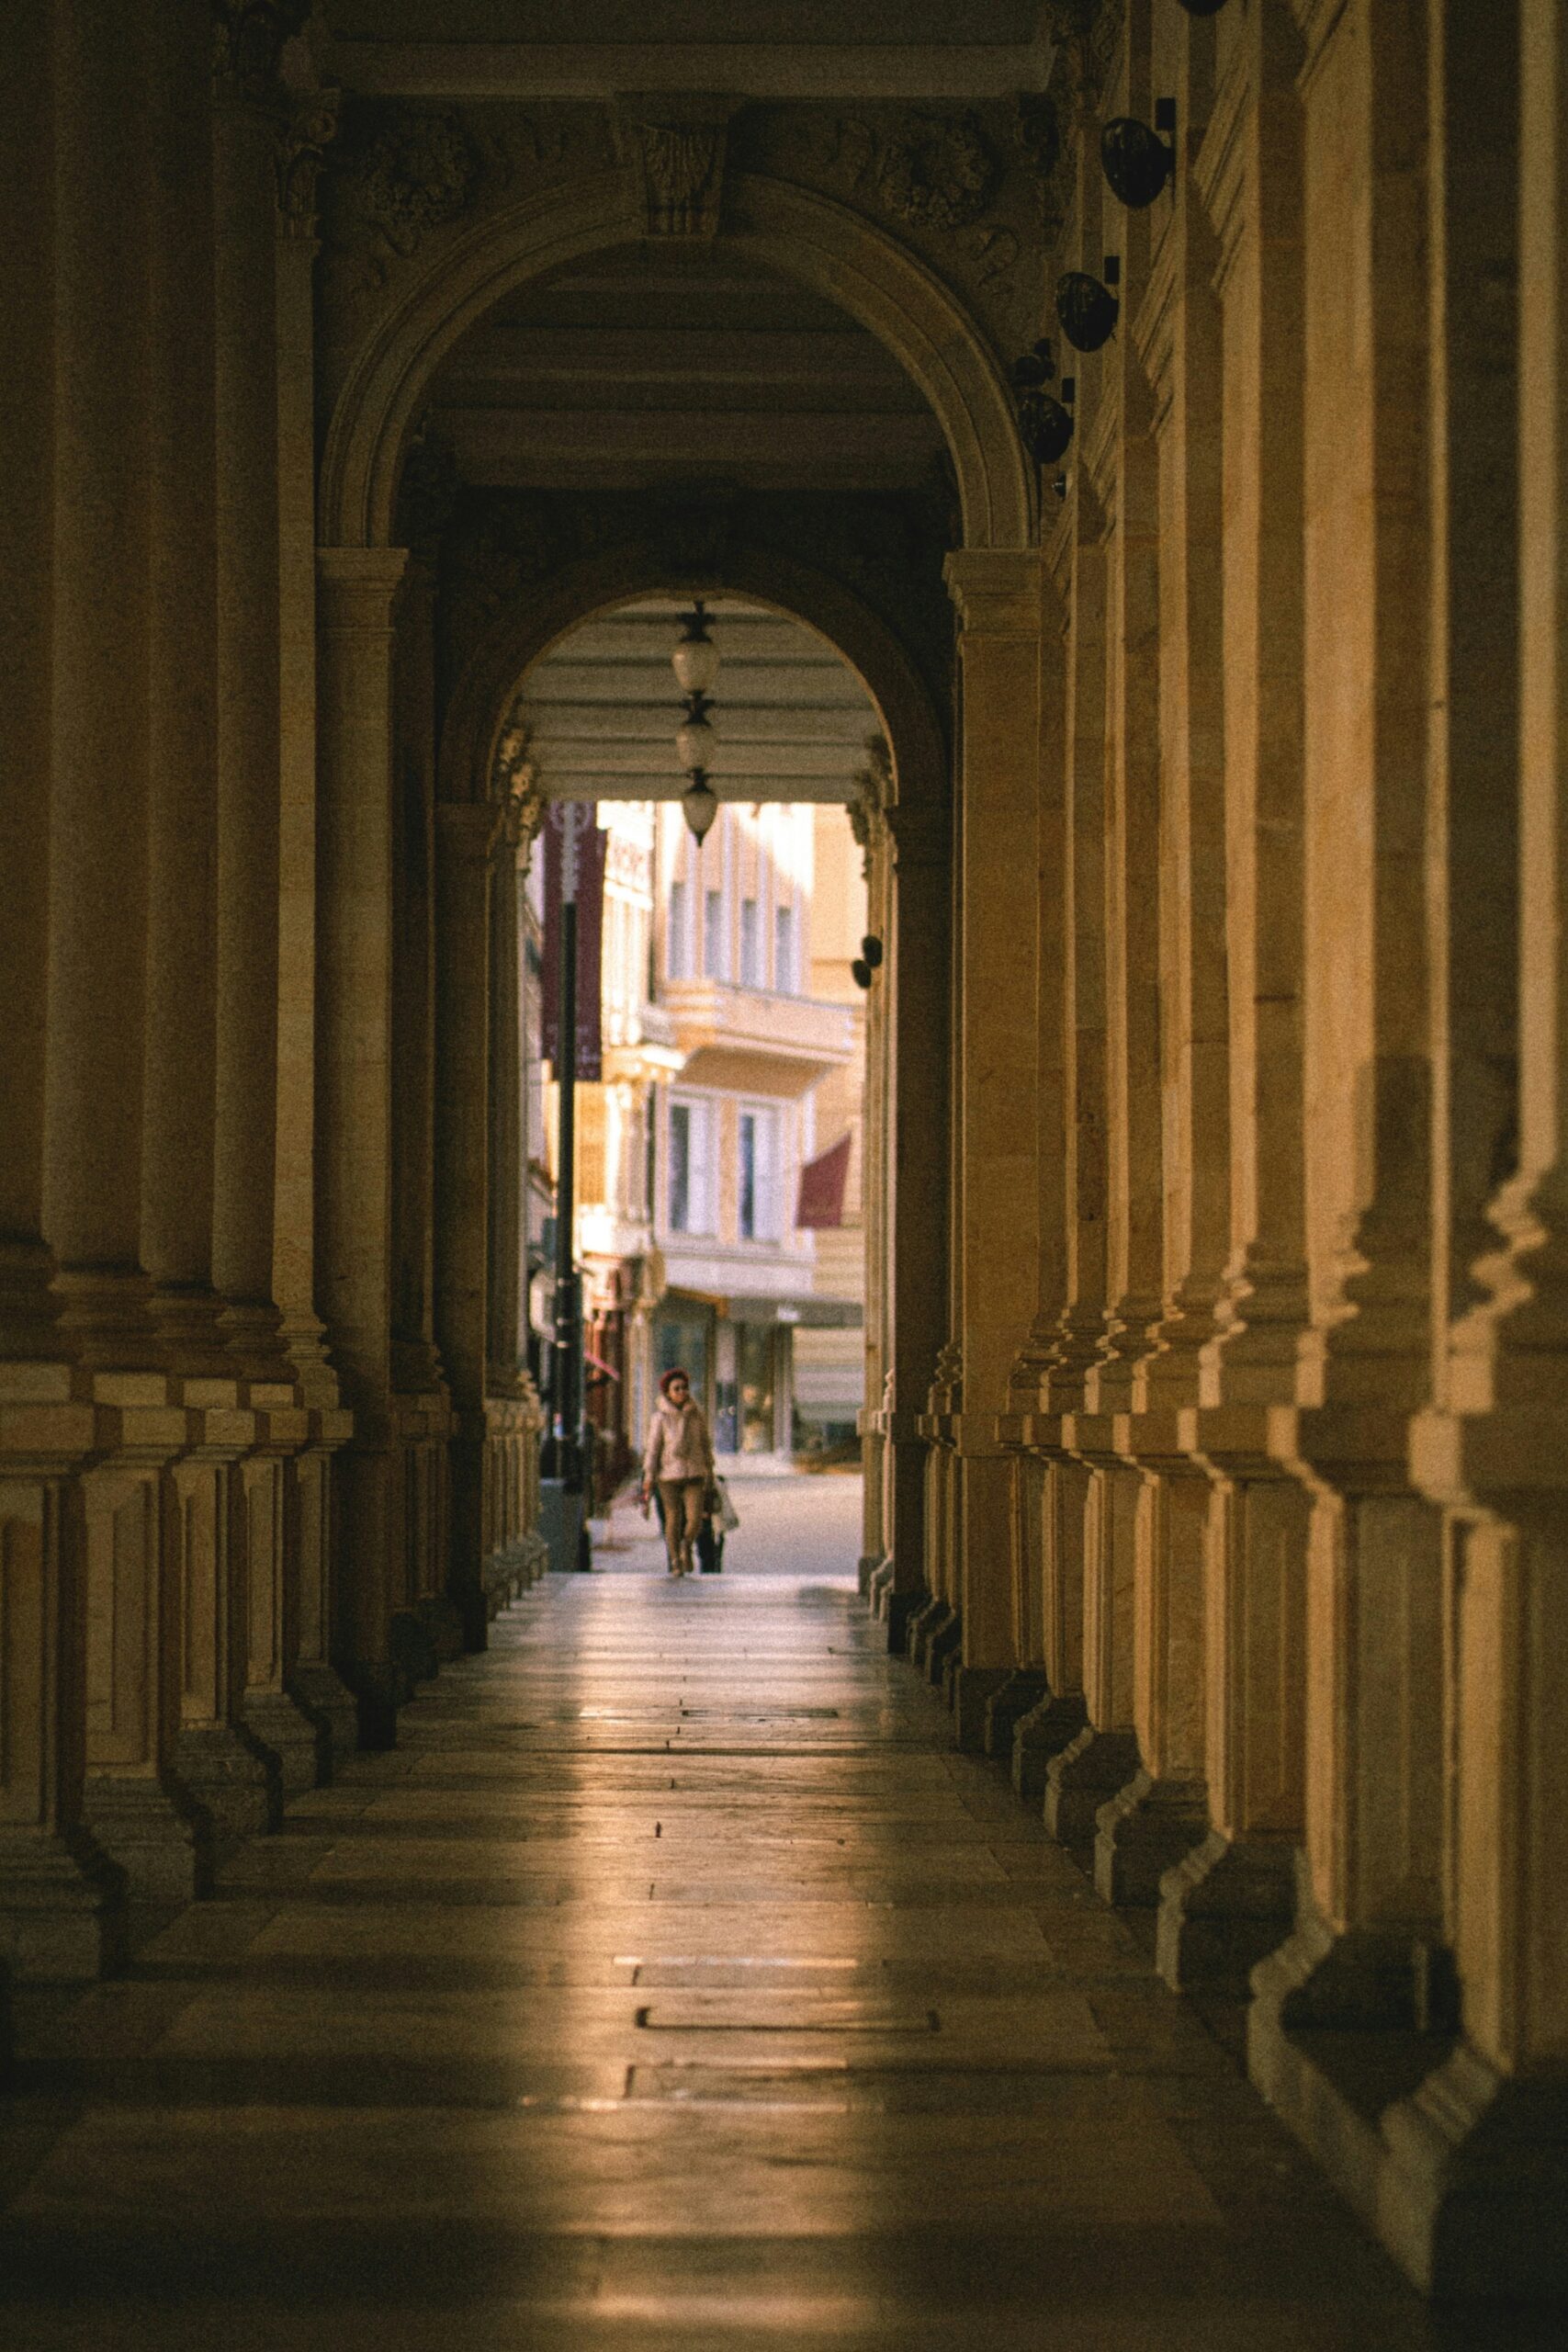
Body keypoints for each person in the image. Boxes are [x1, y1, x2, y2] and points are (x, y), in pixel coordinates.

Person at [640, 1366, 715, 1578]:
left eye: (685, 1388)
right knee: (672, 1518)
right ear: (668, 1393)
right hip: (668, 1476)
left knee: (695, 1519)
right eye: (677, 1388)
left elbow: (705, 1444)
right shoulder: (660, 1418)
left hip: (694, 1473)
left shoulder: (696, 1415)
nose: (682, 1392)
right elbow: (653, 1449)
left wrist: (709, 1470)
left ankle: (686, 1546)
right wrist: (648, 1477)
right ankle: (675, 1560)